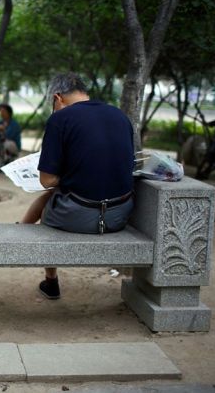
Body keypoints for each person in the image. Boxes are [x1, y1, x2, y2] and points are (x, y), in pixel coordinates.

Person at [21, 73, 134, 300]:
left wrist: (71, 173)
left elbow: (47, 180)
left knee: (49, 201)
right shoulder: (119, 115)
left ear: (57, 98)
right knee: (56, 193)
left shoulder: (60, 119)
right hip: (119, 215)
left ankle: (51, 280)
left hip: (79, 216)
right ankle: (21, 228)